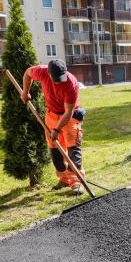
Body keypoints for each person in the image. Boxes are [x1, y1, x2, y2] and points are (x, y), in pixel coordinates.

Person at [22, 59, 86, 194]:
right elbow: (27, 73)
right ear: (49, 73)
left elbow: (68, 112)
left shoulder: (71, 83)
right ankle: (64, 179)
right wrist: (25, 91)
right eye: (56, 78)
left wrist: (57, 129)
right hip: (51, 115)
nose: (59, 81)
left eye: (61, 77)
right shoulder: (41, 71)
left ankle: (76, 182)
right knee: (55, 150)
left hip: (69, 116)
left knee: (73, 149)